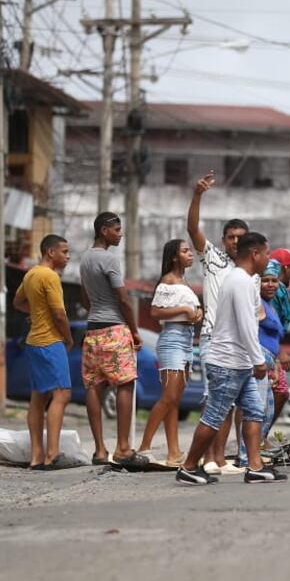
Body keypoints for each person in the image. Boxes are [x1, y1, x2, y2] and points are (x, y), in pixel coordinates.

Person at [176, 232, 287, 485]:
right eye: (267, 254)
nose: (268, 259)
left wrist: (252, 360)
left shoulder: (244, 280)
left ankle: (255, 466)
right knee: (214, 415)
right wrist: (258, 360)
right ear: (255, 254)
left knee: (254, 412)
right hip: (228, 362)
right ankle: (189, 467)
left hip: (240, 362)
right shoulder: (241, 281)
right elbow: (247, 324)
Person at [187, 170, 249, 475]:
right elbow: (192, 228)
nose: (235, 241)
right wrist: (198, 194)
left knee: (231, 403)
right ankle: (208, 459)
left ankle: (219, 458)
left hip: (237, 344)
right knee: (214, 399)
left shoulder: (251, 271)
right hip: (213, 338)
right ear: (223, 240)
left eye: (240, 238)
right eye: (230, 237)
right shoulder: (213, 259)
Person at [78, 212, 144, 468]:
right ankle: (123, 448)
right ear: (104, 230)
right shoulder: (109, 259)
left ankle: (99, 450)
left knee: (94, 387)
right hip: (114, 329)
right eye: (117, 229)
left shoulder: (84, 259)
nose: (121, 233)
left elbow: (85, 299)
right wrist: (135, 329)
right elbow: (124, 298)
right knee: (125, 385)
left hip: (92, 331)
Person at [136, 239, 201, 466]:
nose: (190, 254)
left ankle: (174, 452)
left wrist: (197, 313)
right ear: (174, 257)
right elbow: (155, 311)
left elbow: (193, 310)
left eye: (190, 250)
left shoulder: (184, 281)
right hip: (172, 339)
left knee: (175, 400)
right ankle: (144, 447)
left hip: (186, 339)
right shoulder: (168, 281)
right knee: (169, 397)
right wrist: (185, 309)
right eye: (185, 251)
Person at [14, 234, 73, 470]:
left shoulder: (31, 274)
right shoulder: (50, 276)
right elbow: (59, 314)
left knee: (39, 397)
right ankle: (52, 453)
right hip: (50, 342)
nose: (68, 257)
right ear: (51, 252)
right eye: (65, 252)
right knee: (62, 394)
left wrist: (36, 313)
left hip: (33, 343)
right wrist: (68, 338)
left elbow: (17, 303)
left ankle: (36, 457)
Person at [253, 260, 287, 457]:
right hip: (258, 361)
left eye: (274, 280)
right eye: (265, 280)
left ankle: (256, 451)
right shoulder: (255, 303)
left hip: (269, 362)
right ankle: (249, 455)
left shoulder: (271, 306)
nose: (271, 284)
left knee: (266, 410)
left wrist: (274, 366)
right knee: (256, 410)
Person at [267, 248, 290, 428]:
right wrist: (279, 354)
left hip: (273, 346)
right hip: (270, 347)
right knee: (280, 392)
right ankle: (259, 436)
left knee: (276, 392)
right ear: (286, 268)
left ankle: (259, 438)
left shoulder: (282, 291)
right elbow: (270, 324)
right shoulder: (275, 290)